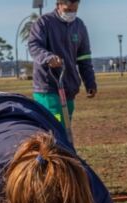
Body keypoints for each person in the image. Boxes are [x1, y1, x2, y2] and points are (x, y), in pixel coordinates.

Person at [28, 0, 97, 130]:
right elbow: (34, 46)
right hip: (48, 87)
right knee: (55, 125)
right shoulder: (44, 22)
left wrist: (90, 83)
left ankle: (61, 149)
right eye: (67, 10)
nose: (71, 13)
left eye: (74, 10)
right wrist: (48, 58)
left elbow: (84, 58)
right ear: (58, 5)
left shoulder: (79, 26)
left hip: (69, 86)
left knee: (65, 127)